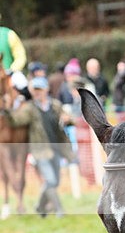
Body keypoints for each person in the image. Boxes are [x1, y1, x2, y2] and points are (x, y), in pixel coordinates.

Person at [2, 75, 74, 216]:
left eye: (40, 89)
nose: (37, 92)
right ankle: (60, 211)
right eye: (35, 89)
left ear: (46, 89)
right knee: (51, 180)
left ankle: (40, 206)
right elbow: (16, 120)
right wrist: (6, 111)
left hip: (56, 148)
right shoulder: (30, 108)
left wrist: (67, 119)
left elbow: (69, 119)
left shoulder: (55, 105)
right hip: (41, 151)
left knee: (55, 181)